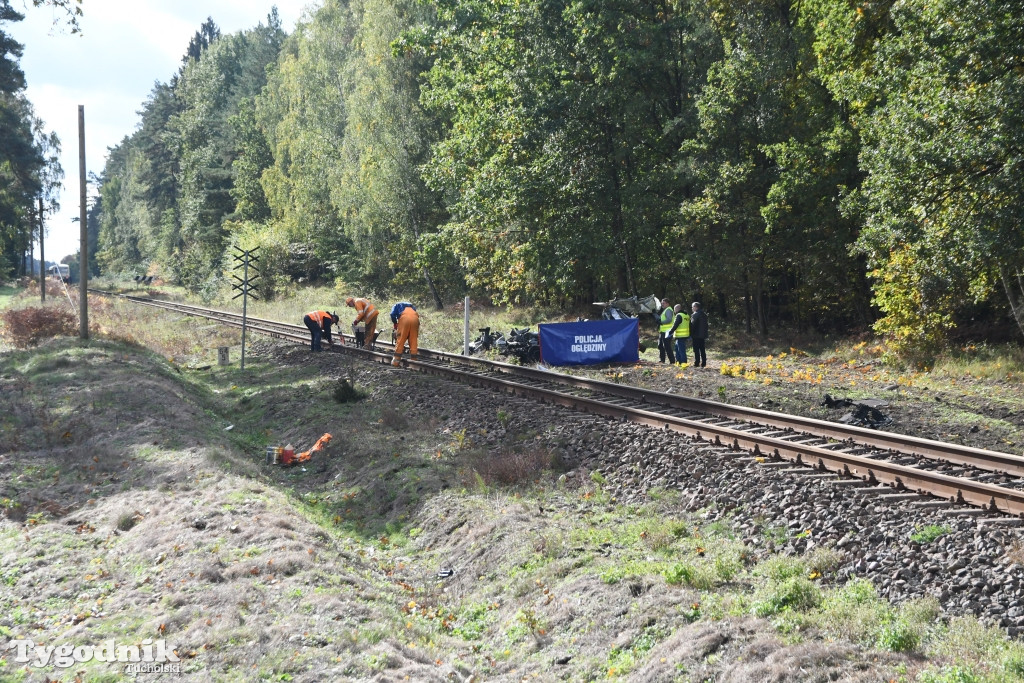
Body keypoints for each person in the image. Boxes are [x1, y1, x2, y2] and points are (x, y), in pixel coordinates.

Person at [389, 301, 419, 367]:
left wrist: (395, 322)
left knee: (401, 339)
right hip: (415, 320)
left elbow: (392, 314)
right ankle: (414, 362)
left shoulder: (396, 305)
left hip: (404, 320)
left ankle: (395, 362)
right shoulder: (412, 307)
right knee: (413, 340)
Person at [690, 301, 708, 367]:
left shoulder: (695, 314)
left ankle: (697, 362)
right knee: (702, 349)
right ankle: (704, 362)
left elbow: (692, 325)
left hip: (696, 335)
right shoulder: (704, 314)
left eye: (692, 307)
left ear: (696, 307)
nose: (692, 308)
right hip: (703, 335)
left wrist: (690, 333)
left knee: (696, 349)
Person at [657, 298, 675, 364]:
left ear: (667, 303)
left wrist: (661, 322)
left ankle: (672, 361)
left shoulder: (668, 310)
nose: (662, 304)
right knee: (660, 345)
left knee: (667, 346)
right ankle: (662, 360)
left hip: (667, 331)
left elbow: (669, 319)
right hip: (663, 331)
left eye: (663, 303)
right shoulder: (665, 310)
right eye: (661, 303)